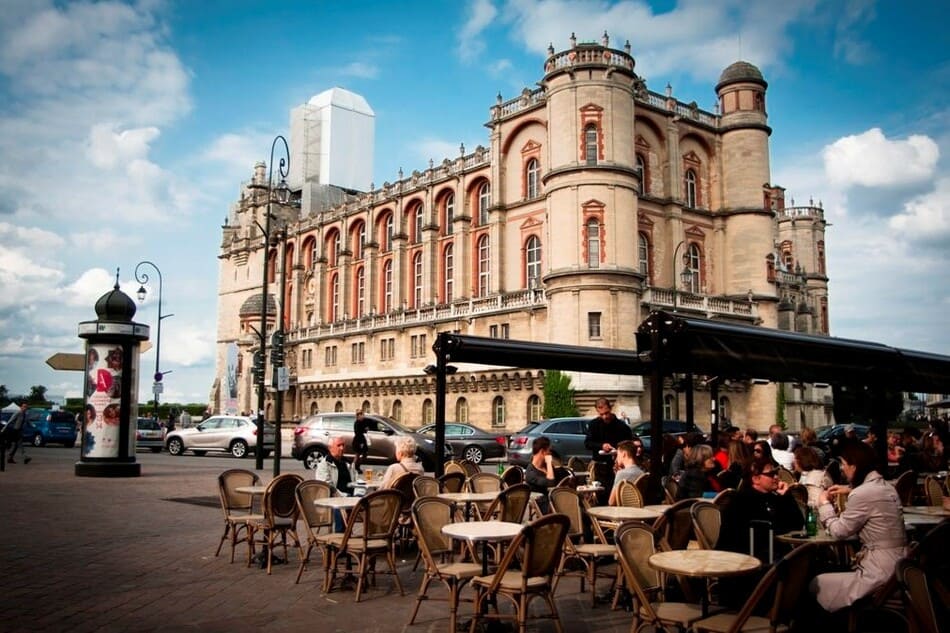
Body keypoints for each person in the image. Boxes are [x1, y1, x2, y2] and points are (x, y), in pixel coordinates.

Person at [810, 440, 907, 613]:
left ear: (854, 466)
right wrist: (849, 489)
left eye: (844, 464)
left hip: (878, 573)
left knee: (816, 582)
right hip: (899, 566)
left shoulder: (862, 493)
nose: (842, 468)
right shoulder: (887, 487)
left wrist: (824, 504)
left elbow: (839, 532)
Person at [717, 457, 804, 561]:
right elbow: (769, 529)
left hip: (769, 554)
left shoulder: (774, 497)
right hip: (746, 559)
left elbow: (797, 523)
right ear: (756, 479)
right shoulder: (742, 501)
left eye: (776, 473)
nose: (776, 477)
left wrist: (786, 496)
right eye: (771, 474)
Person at [584, 397, 632, 497]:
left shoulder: (621, 426)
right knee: (601, 494)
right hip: (600, 465)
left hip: (618, 465)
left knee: (617, 494)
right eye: (601, 414)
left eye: (606, 413)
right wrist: (601, 445)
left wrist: (618, 449)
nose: (605, 416)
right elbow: (587, 443)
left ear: (610, 409)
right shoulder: (594, 425)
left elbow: (629, 443)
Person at [314, 435, 354, 532]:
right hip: (332, 499)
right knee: (340, 506)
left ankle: (371, 537)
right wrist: (344, 496)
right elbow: (327, 487)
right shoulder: (324, 465)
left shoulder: (347, 463)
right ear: (330, 448)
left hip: (351, 497)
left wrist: (359, 493)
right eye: (339, 445)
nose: (342, 448)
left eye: (343, 445)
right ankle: (339, 538)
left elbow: (356, 481)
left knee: (370, 502)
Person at [524, 436, 558, 513]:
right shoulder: (531, 472)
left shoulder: (545, 467)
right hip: (545, 505)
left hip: (556, 501)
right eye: (549, 451)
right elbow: (551, 483)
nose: (550, 454)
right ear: (543, 452)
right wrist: (549, 462)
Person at [608, 440, 646, 505]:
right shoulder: (642, 473)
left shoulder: (622, 474)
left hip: (623, 512)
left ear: (624, 454)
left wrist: (618, 475)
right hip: (639, 511)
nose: (616, 458)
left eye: (618, 454)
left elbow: (611, 502)